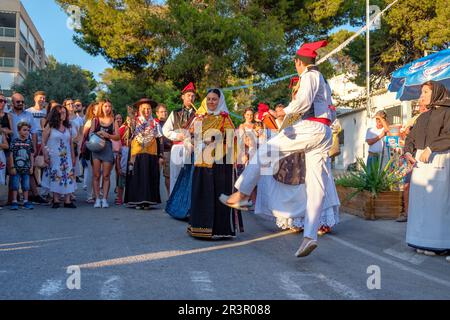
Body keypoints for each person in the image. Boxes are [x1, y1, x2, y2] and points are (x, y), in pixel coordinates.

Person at [222, 40, 337, 257]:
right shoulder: (323, 80)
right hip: (323, 132)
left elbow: (302, 102)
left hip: (311, 127)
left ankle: (242, 194)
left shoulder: (310, 76)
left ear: (299, 62)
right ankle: (310, 235)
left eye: (296, 62)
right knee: (316, 186)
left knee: (266, 152)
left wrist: (280, 113)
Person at [187, 88, 243, 239]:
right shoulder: (200, 118)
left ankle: (219, 230)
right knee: (203, 194)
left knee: (217, 195)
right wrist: (197, 140)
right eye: (209, 99)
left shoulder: (225, 119)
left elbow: (231, 141)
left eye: (214, 99)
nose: (211, 102)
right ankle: (201, 228)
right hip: (202, 162)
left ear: (220, 101)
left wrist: (214, 140)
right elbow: (193, 138)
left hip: (220, 163)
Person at [403, 81, 450, 256]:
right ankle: (420, 240)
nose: (421, 96)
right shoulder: (422, 117)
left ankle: (439, 243)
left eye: (425, 92)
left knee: (437, 204)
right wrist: (408, 152)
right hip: (420, 164)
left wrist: (431, 148)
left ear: (436, 93)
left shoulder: (448, 112)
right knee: (420, 204)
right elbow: (411, 139)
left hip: (439, 159)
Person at [125, 98, 163, 209]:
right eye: (144, 108)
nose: (146, 111)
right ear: (139, 109)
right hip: (137, 153)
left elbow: (160, 138)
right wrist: (130, 125)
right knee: (137, 175)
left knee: (150, 176)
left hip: (151, 153)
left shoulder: (155, 123)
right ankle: (136, 200)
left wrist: (160, 155)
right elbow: (128, 136)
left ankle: (148, 201)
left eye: (149, 108)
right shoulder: (134, 121)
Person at [396, 102, 430, 222]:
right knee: (407, 186)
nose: (423, 108)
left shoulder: (434, 121)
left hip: (426, 160)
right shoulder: (416, 122)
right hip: (413, 161)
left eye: (425, 107)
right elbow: (407, 137)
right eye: (421, 107)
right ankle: (407, 214)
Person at [162, 82, 197, 194]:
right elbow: (165, 130)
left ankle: (188, 204)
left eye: (192, 96)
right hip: (177, 148)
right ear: (183, 97)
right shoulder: (175, 113)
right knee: (175, 176)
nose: (190, 98)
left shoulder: (199, 115)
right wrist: (177, 136)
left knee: (190, 176)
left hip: (192, 149)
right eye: (188, 95)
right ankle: (173, 203)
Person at [42, 105, 77, 209]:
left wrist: (73, 156)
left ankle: (67, 200)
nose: (64, 114)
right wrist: (45, 155)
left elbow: (70, 143)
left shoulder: (68, 127)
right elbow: (43, 142)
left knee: (68, 176)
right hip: (54, 157)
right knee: (56, 175)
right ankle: (56, 199)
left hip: (67, 157)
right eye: (61, 113)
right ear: (56, 115)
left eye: (64, 113)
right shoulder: (50, 127)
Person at [90, 100, 120, 208]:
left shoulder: (113, 121)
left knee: (106, 175)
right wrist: (98, 133)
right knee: (96, 175)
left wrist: (107, 135)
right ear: (101, 107)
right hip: (96, 148)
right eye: (105, 106)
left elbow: (117, 137)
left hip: (107, 148)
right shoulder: (95, 119)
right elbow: (91, 133)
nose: (107, 108)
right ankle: (97, 198)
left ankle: (105, 199)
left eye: (109, 106)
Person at [9, 122, 34, 210]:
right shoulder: (14, 141)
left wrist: (31, 167)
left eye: (28, 130)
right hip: (16, 168)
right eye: (24, 130)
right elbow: (11, 154)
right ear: (19, 131)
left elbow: (31, 155)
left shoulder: (29, 142)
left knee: (26, 186)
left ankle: (26, 201)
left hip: (26, 168)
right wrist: (12, 166)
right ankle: (14, 201)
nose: (26, 132)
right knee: (15, 185)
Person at [155, 104, 171, 196]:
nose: (164, 113)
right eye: (161, 112)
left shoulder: (171, 123)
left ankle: (170, 197)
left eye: (165, 111)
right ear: (157, 113)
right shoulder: (154, 123)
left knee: (168, 176)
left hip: (169, 152)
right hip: (157, 153)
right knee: (155, 175)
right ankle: (153, 196)